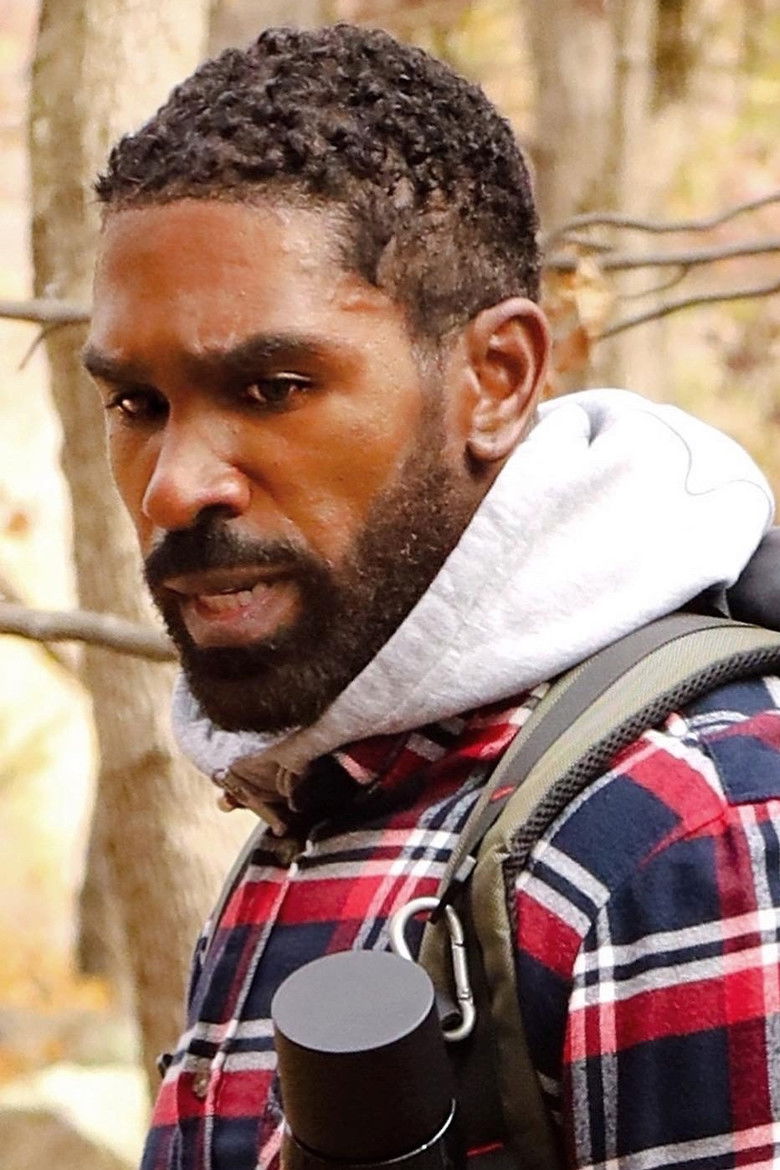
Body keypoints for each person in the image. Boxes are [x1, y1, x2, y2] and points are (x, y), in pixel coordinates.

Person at [84, 23, 780, 1170]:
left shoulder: (685, 833)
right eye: (137, 405)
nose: (172, 487)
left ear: (495, 379)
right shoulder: (336, 788)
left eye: (272, 386)